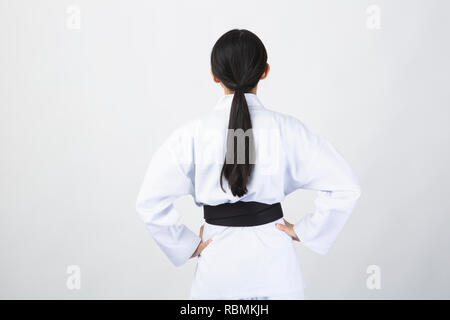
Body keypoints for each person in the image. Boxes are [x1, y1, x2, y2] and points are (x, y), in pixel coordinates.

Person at [136, 29, 361, 299]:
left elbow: (149, 201)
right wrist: (306, 231)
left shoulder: (191, 134)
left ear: (214, 75)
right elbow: (345, 186)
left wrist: (186, 245)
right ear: (264, 71)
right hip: (276, 266)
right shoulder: (288, 129)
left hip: (217, 267)